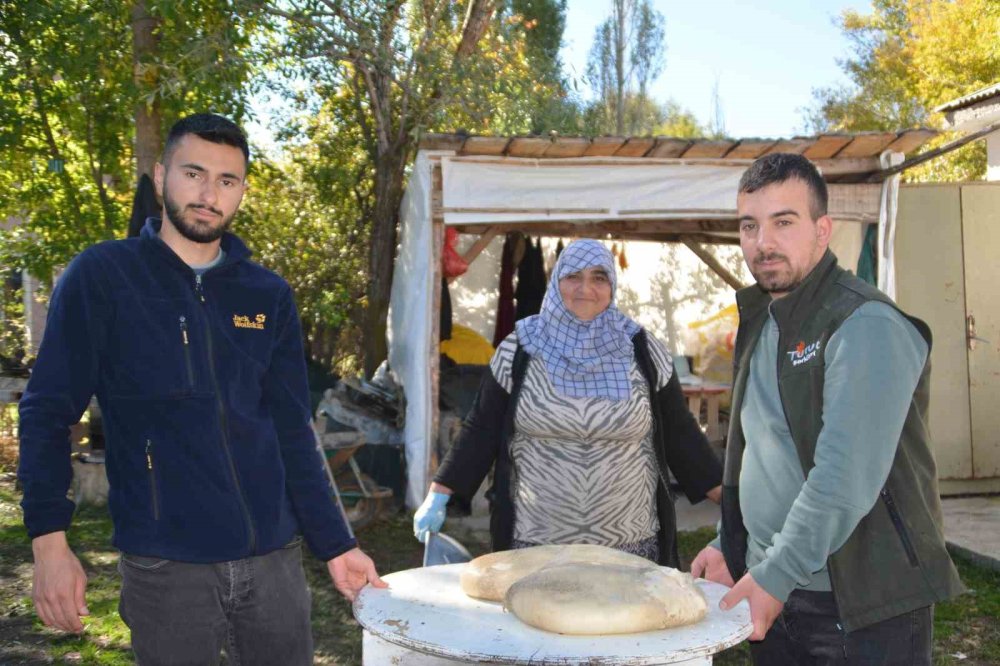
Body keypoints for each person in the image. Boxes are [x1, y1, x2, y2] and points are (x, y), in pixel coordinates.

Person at [18, 113, 386, 664]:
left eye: (227, 181)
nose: (208, 193)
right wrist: (49, 540)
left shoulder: (267, 295)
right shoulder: (103, 277)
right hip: (167, 565)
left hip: (273, 563)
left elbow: (292, 431)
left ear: (242, 193)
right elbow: (47, 410)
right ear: (162, 173)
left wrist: (336, 543)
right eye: (194, 173)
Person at [690, 153, 964, 665]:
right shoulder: (763, 318)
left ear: (823, 230)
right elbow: (754, 452)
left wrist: (774, 572)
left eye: (783, 222)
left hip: (860, 604)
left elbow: (844, 474)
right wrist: (734, 548)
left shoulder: (865, 323)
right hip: (776, 588)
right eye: (749, 225)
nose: (762, 242)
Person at [414, 239, 722, 567]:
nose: (585, 288)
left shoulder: (644, 352)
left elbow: (680, 433)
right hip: (534, 546)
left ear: (612, 285)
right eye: (573, 276)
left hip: (630, 548)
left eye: (598, 277)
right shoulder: (519, 349)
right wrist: (439, 494)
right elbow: (481, 428)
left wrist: (729, 505)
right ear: (556, 280)